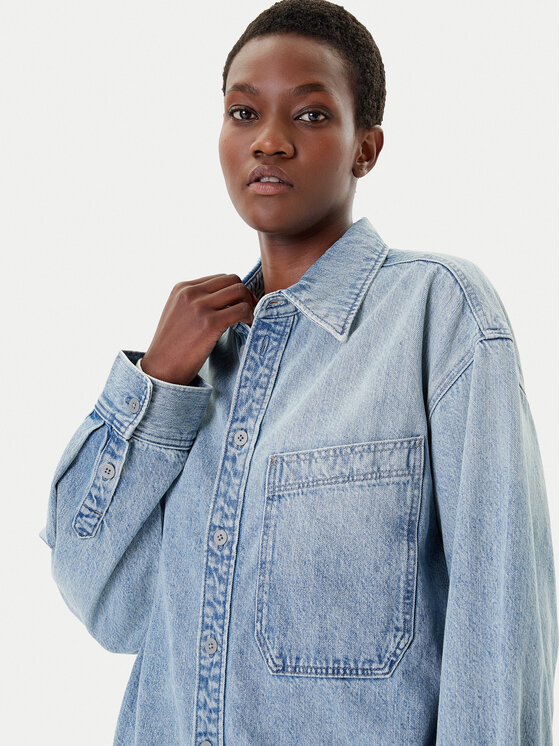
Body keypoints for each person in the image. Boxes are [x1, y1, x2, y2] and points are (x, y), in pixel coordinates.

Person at [39, 0, 557, 744]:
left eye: (311, 116)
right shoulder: (198, 359)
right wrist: (156, 383)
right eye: (243, 113)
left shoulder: (437, 313)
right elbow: (104, 602)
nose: (269, 141)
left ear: (365, 148)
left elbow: (500, 624)